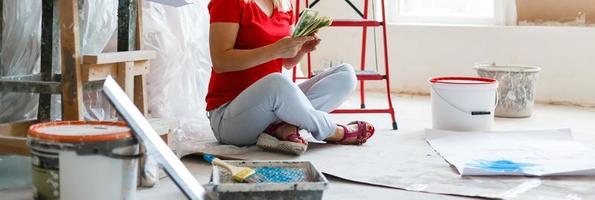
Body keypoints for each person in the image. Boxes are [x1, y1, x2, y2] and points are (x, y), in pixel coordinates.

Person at [206, 0, 375, 155]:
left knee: (346, 75)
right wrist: (276, 49)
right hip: (230, 118)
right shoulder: (228, 2)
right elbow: (221, 61)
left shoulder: (284, 4)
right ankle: (334, 131)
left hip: (271, 108)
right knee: (277, 82)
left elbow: (286, 62)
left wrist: (301, 49)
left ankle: (282, 127)